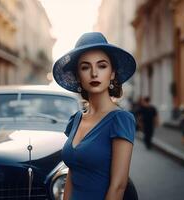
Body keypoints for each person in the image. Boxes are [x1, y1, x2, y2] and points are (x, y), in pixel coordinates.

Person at [52, 32, 137, 200]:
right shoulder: (76, 119)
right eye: (85, 67)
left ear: (112, 73)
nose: (94, 73)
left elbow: (118, 185)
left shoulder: (121, 119)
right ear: (78, 76)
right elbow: (72, 174)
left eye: (102, 66)